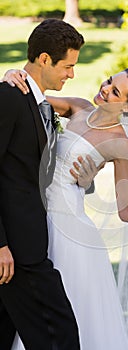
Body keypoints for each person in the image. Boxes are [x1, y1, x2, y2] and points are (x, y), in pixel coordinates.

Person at [4, 67, 128, 350]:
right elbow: (30, 99)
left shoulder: (120, 145)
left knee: (65, 313)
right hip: (32, 218)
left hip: (69, 234)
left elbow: (127, 209)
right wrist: (11, 76)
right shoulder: (78, 107)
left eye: (115, 92)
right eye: (109, 81)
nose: (105, 89)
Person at [0, 19, 99, 350]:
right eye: (67, 66)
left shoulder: (38, 101)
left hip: (29, 240)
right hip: (15, 250)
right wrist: (0, 245)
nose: (71, 74)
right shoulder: (10, 97)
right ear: (44, 59)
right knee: (60, 333)